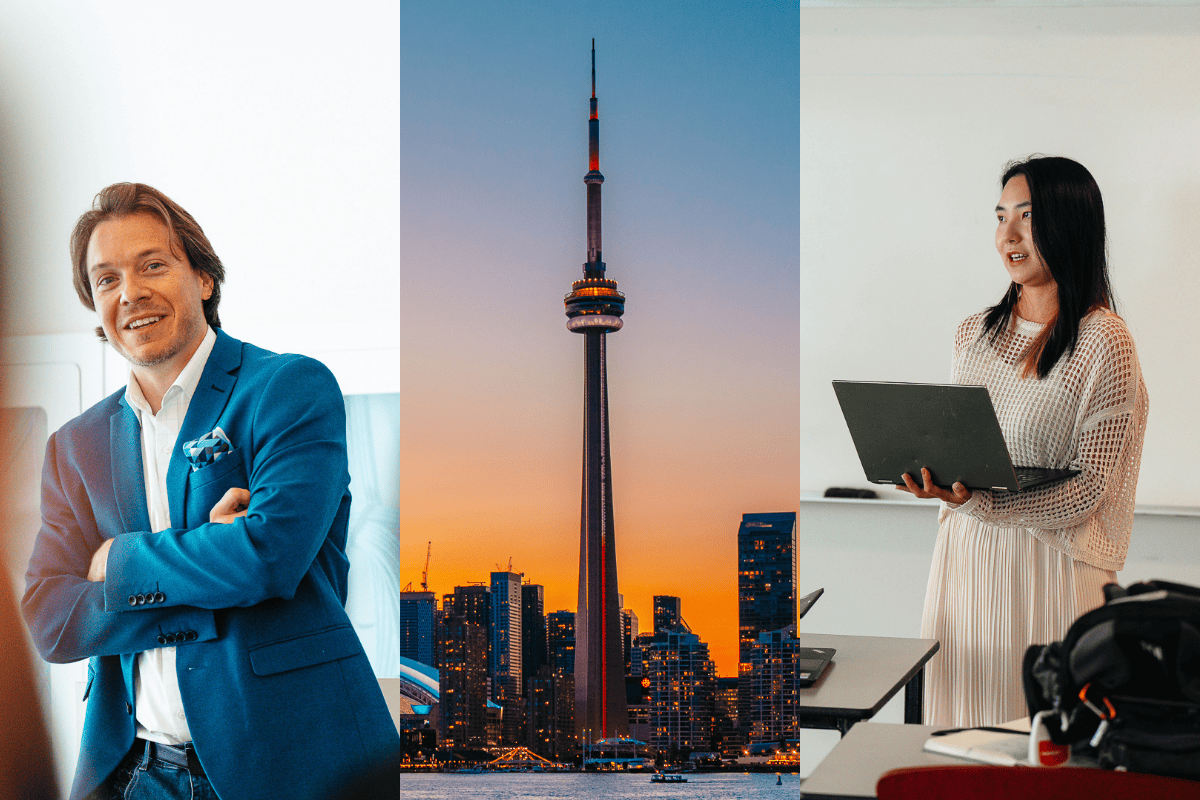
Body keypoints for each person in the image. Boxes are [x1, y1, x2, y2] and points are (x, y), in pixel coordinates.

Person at [21, 183, 401, 800]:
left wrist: (115, 562)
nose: (131, 293)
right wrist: (208, 558)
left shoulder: (289, 389)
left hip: (294, 767)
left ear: (202, 278)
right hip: (133, 774)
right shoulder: (74, 445)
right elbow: (48, 620)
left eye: (152, 265)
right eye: (106, 279)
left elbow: (268, 559)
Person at [898, 156, 1149, 726]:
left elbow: (1089, 488)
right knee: (954, 747)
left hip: (1052, 571)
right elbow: (966, 450)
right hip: (967, 565)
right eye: (1000, 217)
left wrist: (985, 503)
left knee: (1042, 754)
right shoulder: (974, 333)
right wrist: (934, 474)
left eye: (1027, 217)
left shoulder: (1104, 339)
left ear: (1068, 225)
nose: (1007, 236)